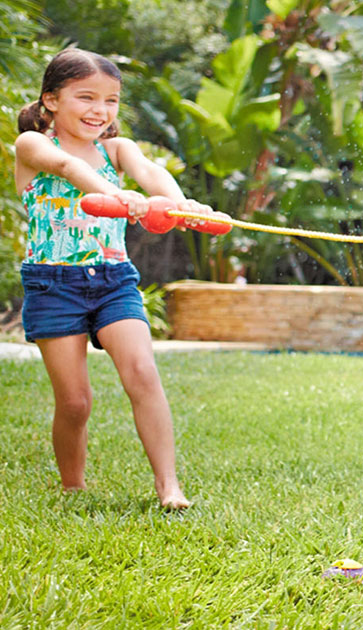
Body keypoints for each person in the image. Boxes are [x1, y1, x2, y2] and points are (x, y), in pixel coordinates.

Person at [14, 48, 222, 509]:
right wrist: (113, 193)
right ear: (50, 100)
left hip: (112, 280)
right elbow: (70, 168)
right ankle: (73, 486)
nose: (100, 111)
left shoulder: (117, 149)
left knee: (143, 374)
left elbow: (153, 174)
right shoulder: (33, 145)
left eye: (110, 101)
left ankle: (169, 487)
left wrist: (183, 204)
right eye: (86, 97)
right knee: (75, 402)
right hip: (53, 283)